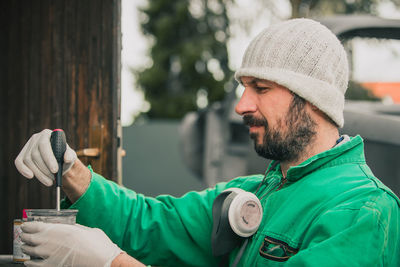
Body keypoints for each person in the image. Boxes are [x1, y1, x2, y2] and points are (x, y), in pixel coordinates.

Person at [15, 18, 400, 267]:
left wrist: (111, 263)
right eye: (243, 88)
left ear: (313, 100)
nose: (241, 105)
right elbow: (148, 224)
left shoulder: (364, 213)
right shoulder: (253, 194)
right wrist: (73, 171)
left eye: (261, 88)